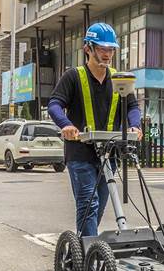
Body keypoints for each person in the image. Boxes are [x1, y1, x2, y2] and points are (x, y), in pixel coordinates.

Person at [48, 22, 142, 237]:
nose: (108, 54)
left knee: (98, 206)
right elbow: (54, 103)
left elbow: (132, 106)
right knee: (88, 204)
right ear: (88, 49)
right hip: (80, 152)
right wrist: (67, 125)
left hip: (109, 153)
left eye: (111, 49)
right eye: (102, 49)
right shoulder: (73, 76)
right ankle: (89, 257)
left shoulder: (119, 78)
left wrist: (135, 125)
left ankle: (86, 249)